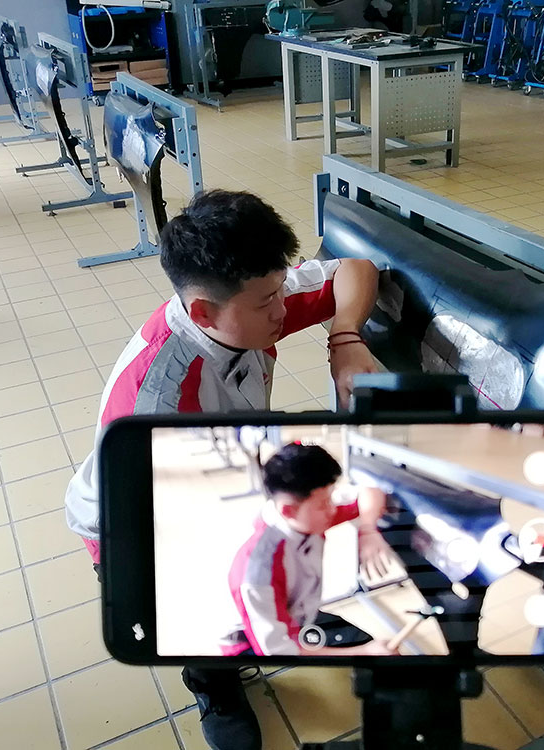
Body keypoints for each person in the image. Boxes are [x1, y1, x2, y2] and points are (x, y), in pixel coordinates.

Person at [64, 189, 381, 750]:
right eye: (266, 303)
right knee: (210, 598)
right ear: (202, 313)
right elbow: (180, 533)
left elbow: (355, 270)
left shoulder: (244, 301)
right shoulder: (162, 403)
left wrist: (345, 337)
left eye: (281, 289)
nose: (282, 310)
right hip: (138, 525)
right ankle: (213, 681)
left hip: (220, 473)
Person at [222, 442, 396, 657]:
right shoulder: (259, 569)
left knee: (368, 646)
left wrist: (367, 530)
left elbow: (370, 489)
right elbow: (278, 651)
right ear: (288, 511)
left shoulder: (301, 515)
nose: (332, 509)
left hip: (298, 618)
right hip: (252, 648)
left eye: (331, 498)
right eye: (324, 504)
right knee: (369, 660)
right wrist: (363, 652)